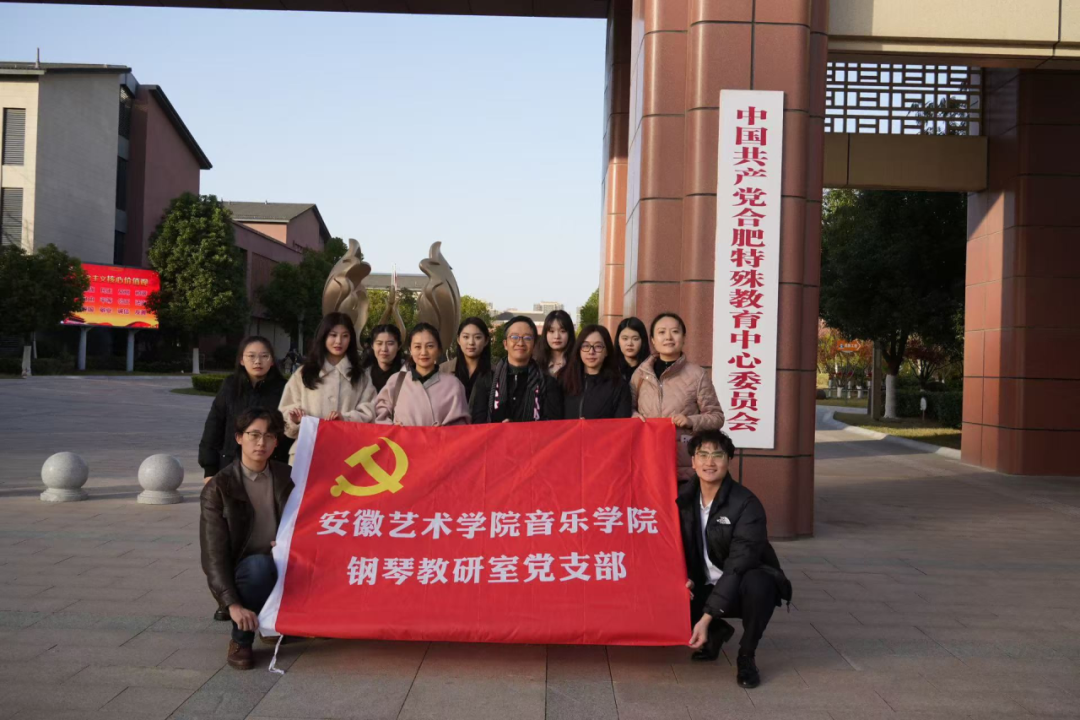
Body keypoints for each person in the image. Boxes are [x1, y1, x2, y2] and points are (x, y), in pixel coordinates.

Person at [679, 429, 791, 687]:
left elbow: (738, 566)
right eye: (702, 455)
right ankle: (717, 633)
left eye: (717, 455)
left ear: (729, 460)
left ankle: (746, 655)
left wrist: (705, 617)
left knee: (759, 583)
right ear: (693, 461)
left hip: (740, 585)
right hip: (702, 584)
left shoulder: (746, 504)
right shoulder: (681, 499)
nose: (709, 462)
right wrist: (683, 577)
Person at [198, 336, 291, 622]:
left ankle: (260, 599)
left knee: (263, 531)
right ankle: (228, 598)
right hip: (231, 467)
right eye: (251, 356)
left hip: (271, 468)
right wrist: (209, 469)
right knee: (228, 537)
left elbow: (287, 430)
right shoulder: (230, 386)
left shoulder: (283, 388)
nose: (257, 361)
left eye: (264, 356)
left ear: (272, 361)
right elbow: (214, 425)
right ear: (241, 360)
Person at [200, 408, 294, 670]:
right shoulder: (219, 488)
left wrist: (290, 542)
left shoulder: (288, 476)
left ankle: (275, 621)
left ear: (277, 441)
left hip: (285, 559)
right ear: (239, 437)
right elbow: (213, 555)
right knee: (259, 567)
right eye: (254, 435)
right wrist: (231, 604)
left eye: (269, 436)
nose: (261, 443)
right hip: (245, 567)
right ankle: (241, 640)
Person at [631, 312, 725, 482]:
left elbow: (717, 417)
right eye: (661, 332)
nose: (668, 337)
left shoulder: (697, 375)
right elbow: (627, 408)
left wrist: (691, 421)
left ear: (683, 338)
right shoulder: (641, 374)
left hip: (683, 466)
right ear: (652, 340)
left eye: (675, 331)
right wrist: (634, 416)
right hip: (647, 460)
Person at [279, 313, 376, 463]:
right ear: (323, 336)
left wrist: (345, 418)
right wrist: (295, 420)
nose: (339, 341)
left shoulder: (360, 376)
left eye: (345, 336)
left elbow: (370, 411)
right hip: (307, 453)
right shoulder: (304, 373)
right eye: (333, 335)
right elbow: (286, 409)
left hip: (349, 457)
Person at [375, 323, 470, 426]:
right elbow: (380, 415)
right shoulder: (396, 381)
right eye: (417, 347)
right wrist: (393, 428)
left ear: (439, 350)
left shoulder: (453, 384)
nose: (423, 352)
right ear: (410, 350)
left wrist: (444, 431)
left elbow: (461, 427)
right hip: (402, 437)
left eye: (430, 346)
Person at [485, 315, 563, 422]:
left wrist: (520, 429)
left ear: (534, 345)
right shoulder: (487, 380)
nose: (520, 343)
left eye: (527, 338)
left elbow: (554, 424)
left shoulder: (548, 383)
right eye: (514, 337)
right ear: (505, 344)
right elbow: (476, 424)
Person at [560, 324, 632, 420]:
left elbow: (621, 424)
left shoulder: (619, 386)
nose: (591, 352)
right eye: (586, 346)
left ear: (607, 351)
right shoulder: (564, 380)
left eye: (598, 346)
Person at [439, 317, 493, 424]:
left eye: (477, 337)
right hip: (451, 430)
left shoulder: (495, 373)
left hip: (484, 431)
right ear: (458, 340)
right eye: (466, 337)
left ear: (486, 340)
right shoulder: (443, 370)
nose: (471, 342)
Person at [363, 323, 405, 394]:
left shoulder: (407, 373)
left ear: (399, 346)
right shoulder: (364, 374)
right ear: (372, 345)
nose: (384, 349)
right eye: (379, 343)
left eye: (390, 344)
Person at [534, 309, 576, 377]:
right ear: (545, 334)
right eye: (551, 331)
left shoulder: (577, 363)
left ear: (570, 334)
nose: (557, 336)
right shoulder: (536, 363)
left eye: (562, 331)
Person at [615, 316, 650, 385]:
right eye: (625, 338)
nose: (630, 343)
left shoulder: (651, 369)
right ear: (618, 341)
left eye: (635, 339)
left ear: (643, 341)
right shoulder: (611, 369)